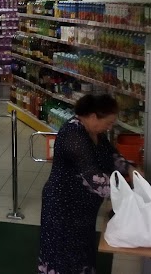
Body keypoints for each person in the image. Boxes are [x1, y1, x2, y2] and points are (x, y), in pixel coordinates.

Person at [38, 94, 136, 274]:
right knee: (62, 256)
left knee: (83, 251)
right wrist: (129, 194)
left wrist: (130, 169)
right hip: (63, 206)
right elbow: (94, 178)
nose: (110, 127)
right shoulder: (73, 134)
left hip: (83, 208)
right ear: (93, 117)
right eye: (108, 122)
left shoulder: (95, 132)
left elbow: (111, 155)